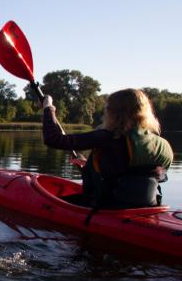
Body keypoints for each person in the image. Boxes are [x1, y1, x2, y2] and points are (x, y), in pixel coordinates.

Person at [42, 88, 173, 208]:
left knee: (46, 204)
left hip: (107, 207)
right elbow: (138, 172)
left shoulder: (109, 137)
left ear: (113, 112)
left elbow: (54, 139)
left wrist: (48, 107)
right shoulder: (163, 144)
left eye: (107, 108)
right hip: (148, 207)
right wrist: (90, 164)